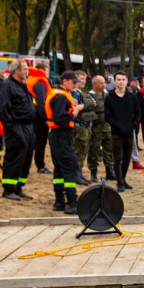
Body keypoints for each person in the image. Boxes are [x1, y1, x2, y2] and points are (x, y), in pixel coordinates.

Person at [45, 71, 84, 213]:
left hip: (56, 135)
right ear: (65, 81)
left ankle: (59, 201)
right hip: (61, 135)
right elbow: (59, 119)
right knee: (69, 167)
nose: (74, 86)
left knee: (60, 169)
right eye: (73, 83)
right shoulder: (61, 97)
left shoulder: (56, 94)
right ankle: (71, 202)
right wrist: (74, 113)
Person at [0, 60, 35, 200]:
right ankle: (8, 189)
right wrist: (11, 128)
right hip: (16, 127)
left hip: (28, 127)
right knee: (14, 158)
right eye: (24, 69)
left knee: (26, 159)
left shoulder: (22, 85)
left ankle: (18, 187)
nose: (27, 71)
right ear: (16, 70)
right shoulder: (7, 85)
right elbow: (3, 109)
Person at [105, 71, 140, 192]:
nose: (121, 82)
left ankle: (123, 179)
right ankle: (119, 181)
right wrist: (117, 125)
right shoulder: (109, 97)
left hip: (129, 132)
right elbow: (107, 116)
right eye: (118, 79)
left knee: (127, 157)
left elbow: (138, 113)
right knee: (117, 158)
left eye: (123, 79)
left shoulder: (132, 97)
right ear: (114, 81)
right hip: (116, 133)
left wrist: (133, 125)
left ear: (127, 81)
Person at [87, 75, 115, 182]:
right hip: (95, 128)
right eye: (101, 83)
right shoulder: (90, 96)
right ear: (95, 85)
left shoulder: (108, 95)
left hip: (108, 127)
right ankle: (93, 173)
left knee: (109, 150)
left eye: (104, 82)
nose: (104, 85)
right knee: (93, 151)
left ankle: (110, 171)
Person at [26, 60, 52, 174]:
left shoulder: (29, 79)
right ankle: (40, 166)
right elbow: (41, 102)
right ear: (44, 71)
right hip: (39, 116)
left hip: (30, 114)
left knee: (30, 142)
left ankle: (26, 165)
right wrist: (46, 118)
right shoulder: (40, 83)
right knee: (40, 143)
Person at [70, 70, 95, 185]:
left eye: (85, 79)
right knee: (78, 150)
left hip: (85, 124)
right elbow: (74, 107)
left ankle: (78, 172)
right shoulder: (73, 93)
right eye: (80, 79)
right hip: (78, 125)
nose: (83, 81)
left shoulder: (81, 92)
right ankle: (75, 174)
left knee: (83, 150)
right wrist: (88, 103)